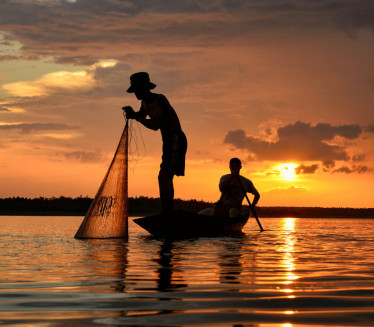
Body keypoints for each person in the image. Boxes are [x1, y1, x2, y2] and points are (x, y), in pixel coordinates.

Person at [123, 72, 187, 215]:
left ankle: (167, 213)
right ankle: (167, 212)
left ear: (145, 87)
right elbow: (141, 116)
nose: (135, 94)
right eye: (134, 91)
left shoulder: (159, 100)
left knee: (164, 176)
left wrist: (135, 117)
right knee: (166, 176)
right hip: (168, 142)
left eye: (137, 90)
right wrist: (132, 114)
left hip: (176, 138)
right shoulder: (144, 103)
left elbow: (155, 125)